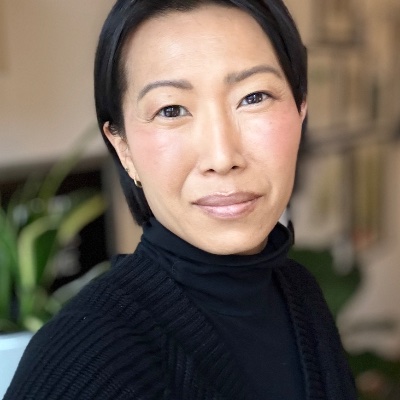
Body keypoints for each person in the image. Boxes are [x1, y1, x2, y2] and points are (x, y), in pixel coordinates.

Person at [4, 0, 357, 399]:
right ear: (123, 149)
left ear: (300, 109)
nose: (221, 157)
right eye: (171, 109)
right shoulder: (83, 362)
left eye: (254, 97)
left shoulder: (299, 294)